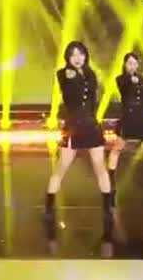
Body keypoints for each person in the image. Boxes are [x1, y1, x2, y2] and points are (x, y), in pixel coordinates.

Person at [45, 41, 112, 238]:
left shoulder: (91, 75)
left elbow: (91, 97)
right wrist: (72, 74)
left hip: (91, 125)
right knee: (62, 167)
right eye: (73, 54)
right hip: (73, 127)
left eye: (80, 54)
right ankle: (49, 206)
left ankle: (108, 207)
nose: (77, 58)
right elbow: (69, 90)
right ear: (68, 57)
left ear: (85, 56)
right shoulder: (63, 74)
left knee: (100, 166)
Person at [107, 52, 143, 207]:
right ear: (125, 65)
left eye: (135, 63)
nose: (132, 66)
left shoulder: (142, 80)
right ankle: (111, 188)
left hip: (142, 118)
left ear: (138, 65)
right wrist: (131, 79)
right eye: (129, 63)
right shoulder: (121, 78)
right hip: (129, 118)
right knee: (117, 149)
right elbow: (123, 85)